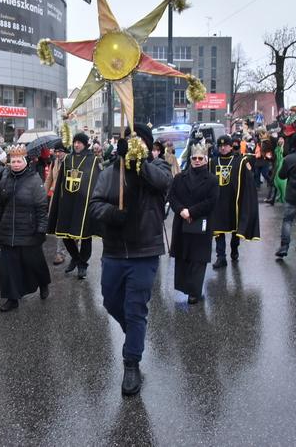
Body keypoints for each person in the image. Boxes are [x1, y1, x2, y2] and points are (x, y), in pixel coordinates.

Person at [90, 123, 172, 396]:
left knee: (136, 308)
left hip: (144, 252)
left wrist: (140, 163)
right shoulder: (110, 172)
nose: (135, 145)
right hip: (114, 251)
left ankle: (131, 362)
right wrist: (113, 214)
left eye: (140, 142)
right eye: (130, 141)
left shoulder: (158, 167)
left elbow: (163, 183)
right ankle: (135, 331)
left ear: (148, 145)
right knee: (110, 300)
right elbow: (95, 205)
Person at [0, 144, 51, 312]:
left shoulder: (34, 179)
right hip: (8, 230)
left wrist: (41, 230)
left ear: (25, 162)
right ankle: (12, 298)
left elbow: (41, 207)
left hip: (28, 230)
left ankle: (43, 282)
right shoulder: (5, 178)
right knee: (9, 267)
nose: (15, 164)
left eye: (19, 161)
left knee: (34, 262)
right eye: (13, 161)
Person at [168, 141, 218, 304]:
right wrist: (181, 210)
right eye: (194, 158)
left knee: (198, 258)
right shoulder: (179, 178)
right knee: (183, 256)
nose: (197, 161)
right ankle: (185, 287)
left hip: (201, 222)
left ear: (205, 160)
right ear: (190, 159)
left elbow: (212, 201)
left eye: (200, 158)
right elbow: (172, 196)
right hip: (182, 222)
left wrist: (192, 212)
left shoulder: (212, 180)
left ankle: (195, 292)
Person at [47, 132, 101, 280]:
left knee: (85, 236)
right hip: (68, 202)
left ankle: (83, 264)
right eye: (75, 142)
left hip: (84, 203)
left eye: (79, 142)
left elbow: (97, 182)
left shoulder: (93, 160)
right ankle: (76, 258)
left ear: (85, 144)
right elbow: (61, 182)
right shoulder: (68, 159)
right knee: (64, 234)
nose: (76, 145)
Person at [210, 135, 260, 268]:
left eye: (225, 145)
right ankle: (221, 257)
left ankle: (234, 248)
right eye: (220, 146)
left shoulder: (240, 161)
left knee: (235, 228)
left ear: (231, 146)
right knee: (218, 229)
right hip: (218, 202)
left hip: (234, 202)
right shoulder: (213, 162)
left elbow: (248, 181)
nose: (223, 148)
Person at [44, 142, 68, 266]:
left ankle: (69, 248)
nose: (58, 154)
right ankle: (60, 253)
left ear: (65, 151)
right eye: (56, 151)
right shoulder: (54, 162)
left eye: (60, 151)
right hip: (55, 198)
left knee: (66, 224)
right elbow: (49, 179)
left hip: (67, 199)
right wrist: (43, 194)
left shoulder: (70, 162)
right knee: (59, 224)